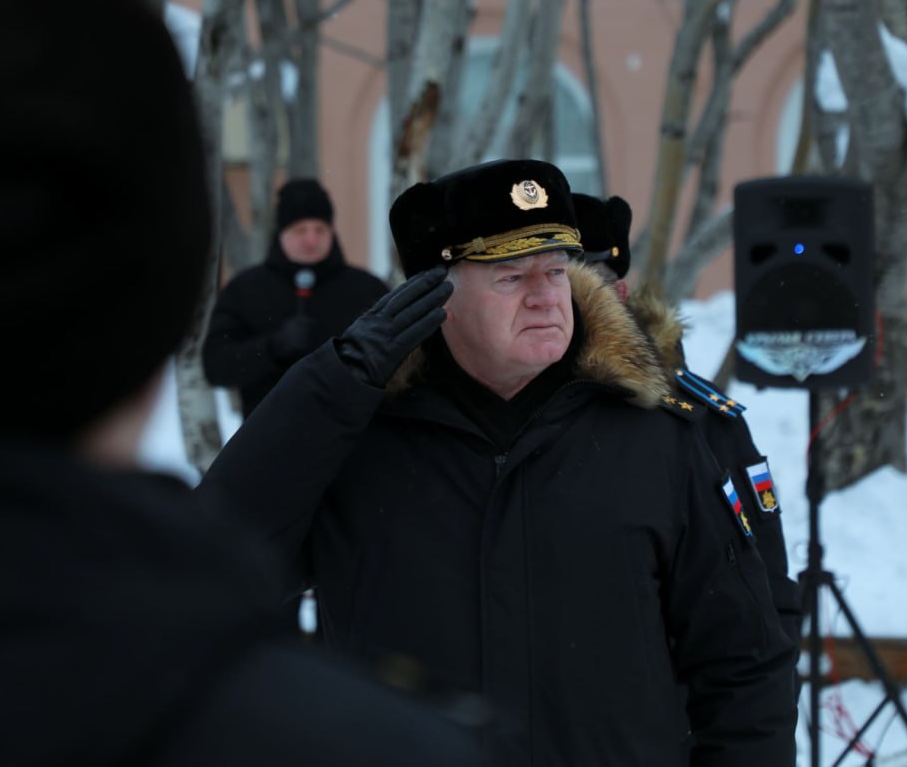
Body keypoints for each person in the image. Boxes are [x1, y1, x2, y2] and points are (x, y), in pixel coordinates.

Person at [0, 0, 489, 767]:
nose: (310, 238)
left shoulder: (361, 283)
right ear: (151, 314)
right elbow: (222, 363)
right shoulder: (332, 740)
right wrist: (288, 354)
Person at [199, 158, 799, 765]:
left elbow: (744, 666)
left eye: (556, 271)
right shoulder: (357, 439)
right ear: (438, 297)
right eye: (511, 276)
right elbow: (208, 570)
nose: (544, 298)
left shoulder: (654, 436)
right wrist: (323, 393)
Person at [570, 192, 804, 653]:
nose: (548, 302)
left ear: (617, 295)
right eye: (516, 281)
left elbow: (762, 603)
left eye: (570, 282)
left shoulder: (699, 423)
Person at [202, 178, 389, 417]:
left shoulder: (366, 289)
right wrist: (271, 348)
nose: (311, 240)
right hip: (268, 434)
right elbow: (216, 365)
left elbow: (396, 355)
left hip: (354, 435)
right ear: (281, 233)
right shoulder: (246, 290)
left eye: (320, 230)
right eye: (300, 230)